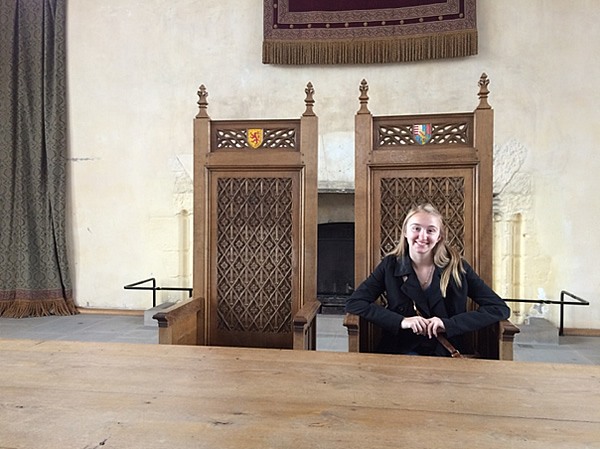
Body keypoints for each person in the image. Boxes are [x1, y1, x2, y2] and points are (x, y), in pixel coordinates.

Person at [345, 203, 510, 356]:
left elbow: (498, 308)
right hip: (400, 351)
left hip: (448, 352)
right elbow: (355, 303)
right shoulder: (390, 265)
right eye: (416, 228)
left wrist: (448, 324)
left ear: (439, 236)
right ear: (405, 232)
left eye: (431, 230)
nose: (422, 236)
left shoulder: (457, 267)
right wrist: (402, 321)